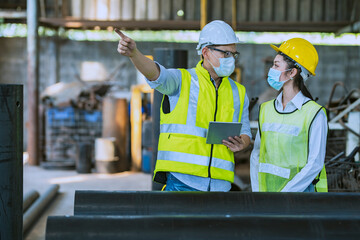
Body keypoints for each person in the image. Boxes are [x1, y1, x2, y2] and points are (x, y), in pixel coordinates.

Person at [116, 20, 252, 191]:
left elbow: (245, 131)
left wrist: (243, 143)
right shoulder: (183, 80)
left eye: (234, 54)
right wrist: (134, 54)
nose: (231, 59)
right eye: (226, 54)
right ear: (206, 52)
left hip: (220, 184)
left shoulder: (238, 91)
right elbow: (156, 74)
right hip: (183, 181)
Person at [250, 38, 328, 192]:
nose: (271, 70)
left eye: (276, 65)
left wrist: (286, 195)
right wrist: (257, 193)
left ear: (292, 72)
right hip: (268, 198)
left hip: (300, 201)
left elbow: (315, 163)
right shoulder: (266, 109)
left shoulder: (314, 114)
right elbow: (256, 155)